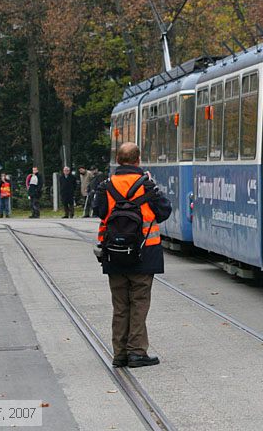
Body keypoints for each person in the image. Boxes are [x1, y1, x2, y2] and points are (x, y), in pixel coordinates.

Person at [94, 142, 170, 369]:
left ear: (118, 160)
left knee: (120, 305)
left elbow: (99, 212)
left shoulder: (105, 186)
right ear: (138, 160)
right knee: (139, 303)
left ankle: (119, 354)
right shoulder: (147, 185)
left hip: (114, 253)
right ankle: (137, 352)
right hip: (144, 252)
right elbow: (164, 211)